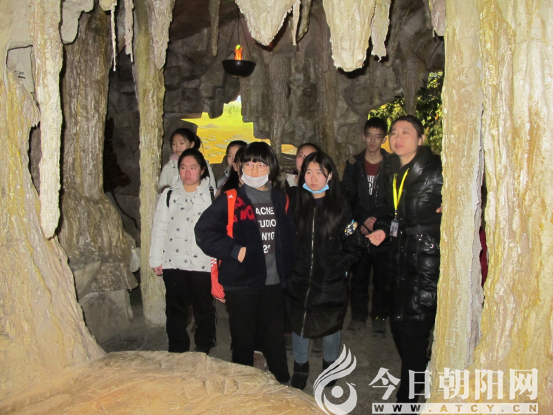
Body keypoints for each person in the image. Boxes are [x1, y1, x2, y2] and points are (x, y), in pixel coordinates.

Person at [195, 142, 294, 384]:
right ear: (240, 168)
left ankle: (282, 383)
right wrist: (233, 250)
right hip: (240, 281)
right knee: (243, 339)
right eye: (248, 164)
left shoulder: (281, 199)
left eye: (260, 164)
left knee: (274, 337)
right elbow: (203, 231)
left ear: (270, 167)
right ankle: (241, 388)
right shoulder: (231, 199)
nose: (254, 169)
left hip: (273, 281)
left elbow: (289, 238)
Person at [368, 115, 443, 404]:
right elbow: (394, 214)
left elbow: (477, 194)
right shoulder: (392, 170)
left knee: (412, 332)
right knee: (398, 327)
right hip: (398, 260)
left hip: (425, 262)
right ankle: (419, 372)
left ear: (421, 139)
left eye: (406, 132)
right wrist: (383, 229)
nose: (397, 138)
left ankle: (407, 401)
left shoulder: (436, 171)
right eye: (394, 132)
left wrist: (450, 205)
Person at [286, 152, 366, 390]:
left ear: (329, 175)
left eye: (319, 173)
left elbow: (354, 244)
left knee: (331, 325)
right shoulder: (294, 202)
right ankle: (300, 367)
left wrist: (337, 267)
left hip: (330, 279)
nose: (313, 178)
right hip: (299, 277)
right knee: (300, 323)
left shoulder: (340, 206)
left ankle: (330, 366)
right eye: (308, 172)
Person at [149, 148, 217, 354]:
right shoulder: (169, 195)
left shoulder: (212, 195)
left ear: (202, 170)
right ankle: (177, 347)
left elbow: (218, 230)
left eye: (193, 167)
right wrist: (156, 259)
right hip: (174, 261)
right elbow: (159, 227)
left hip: (202, 263)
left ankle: (204, 345)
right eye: (183, 167)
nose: (187, 172)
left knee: (204, 307)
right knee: (175, 309)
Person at [341, 117, 391, 336]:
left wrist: (375, 219)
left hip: (382, 229)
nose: (372, 141)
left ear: (383, 139)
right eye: (369, 135)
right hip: (360, 229)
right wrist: (362, 220)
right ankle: (358, 316)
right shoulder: (353, 164)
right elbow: (348, 196)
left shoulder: (391, 164)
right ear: (363, 136)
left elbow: (393, 199)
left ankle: (379, 316)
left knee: (382, 277)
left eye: (377, 136)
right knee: (359, 276)